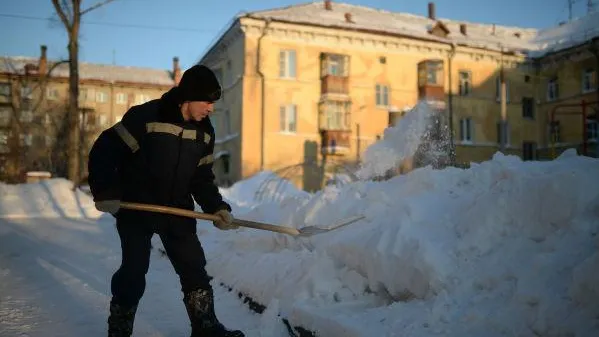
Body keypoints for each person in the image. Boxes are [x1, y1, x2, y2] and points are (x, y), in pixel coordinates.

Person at [87, 64, 244, 337]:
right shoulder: (147, 117)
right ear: (189, 96)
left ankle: (206, 327)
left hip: (177, 209)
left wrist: (217, 207)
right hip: (137, 207)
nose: (211, 108)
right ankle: (120, 329)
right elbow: (105, 149)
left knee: (194, 267)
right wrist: (105, 191)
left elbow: (201, 179)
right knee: (134, 271)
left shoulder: (205, 132)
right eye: (207, 101)